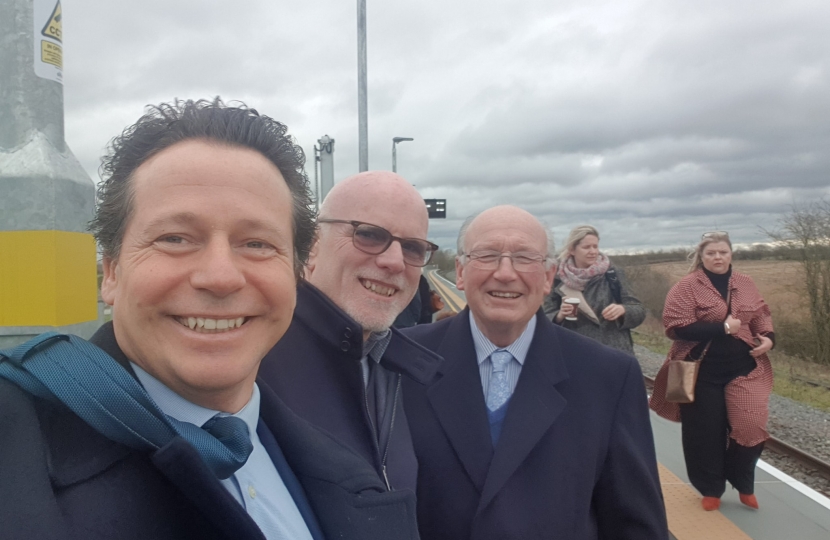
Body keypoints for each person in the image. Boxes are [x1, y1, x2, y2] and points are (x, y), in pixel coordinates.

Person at [0, 99, 421, 539]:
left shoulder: (340, 469)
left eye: (257, 244)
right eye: (175, 238)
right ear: (112, 272)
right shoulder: (16, 444)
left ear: (296, 273)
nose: (220, 277)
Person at [401, 206, 668, 540]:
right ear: (460, 271)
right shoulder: (403, 360)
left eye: (525, 258)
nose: (505, 272)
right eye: (487, 255)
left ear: (547, 277)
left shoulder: (609, 376)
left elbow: (635, 522)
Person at [258, 171, 443, 494]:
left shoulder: (405, 371)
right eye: (369, 235)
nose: (394, 261)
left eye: (413, 248)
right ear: (313, 246)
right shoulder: (252, 362)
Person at [650, 232, 774, 511]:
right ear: (701, 257)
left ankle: (741, 480)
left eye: (723, 252)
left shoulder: (744, 282)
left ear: (731, 254)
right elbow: (676, 327)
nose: (718, 257)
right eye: (711, 253)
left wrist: (768, 337)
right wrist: (722, 328)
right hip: (700, 371)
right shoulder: (687, 286)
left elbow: (761, 314)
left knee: (751, 425)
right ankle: (711, 488)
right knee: (704, 433)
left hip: (743, 368)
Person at [544, 225, 645, 354]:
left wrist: (623, 310)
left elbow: (639, 310)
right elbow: (545, 318)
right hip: (575, 354)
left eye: (595, 246)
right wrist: (559, 315)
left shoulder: (612, 274)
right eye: (586, 247)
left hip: (614, 354)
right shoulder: (558, 277)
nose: (593, 251)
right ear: (572, 250)